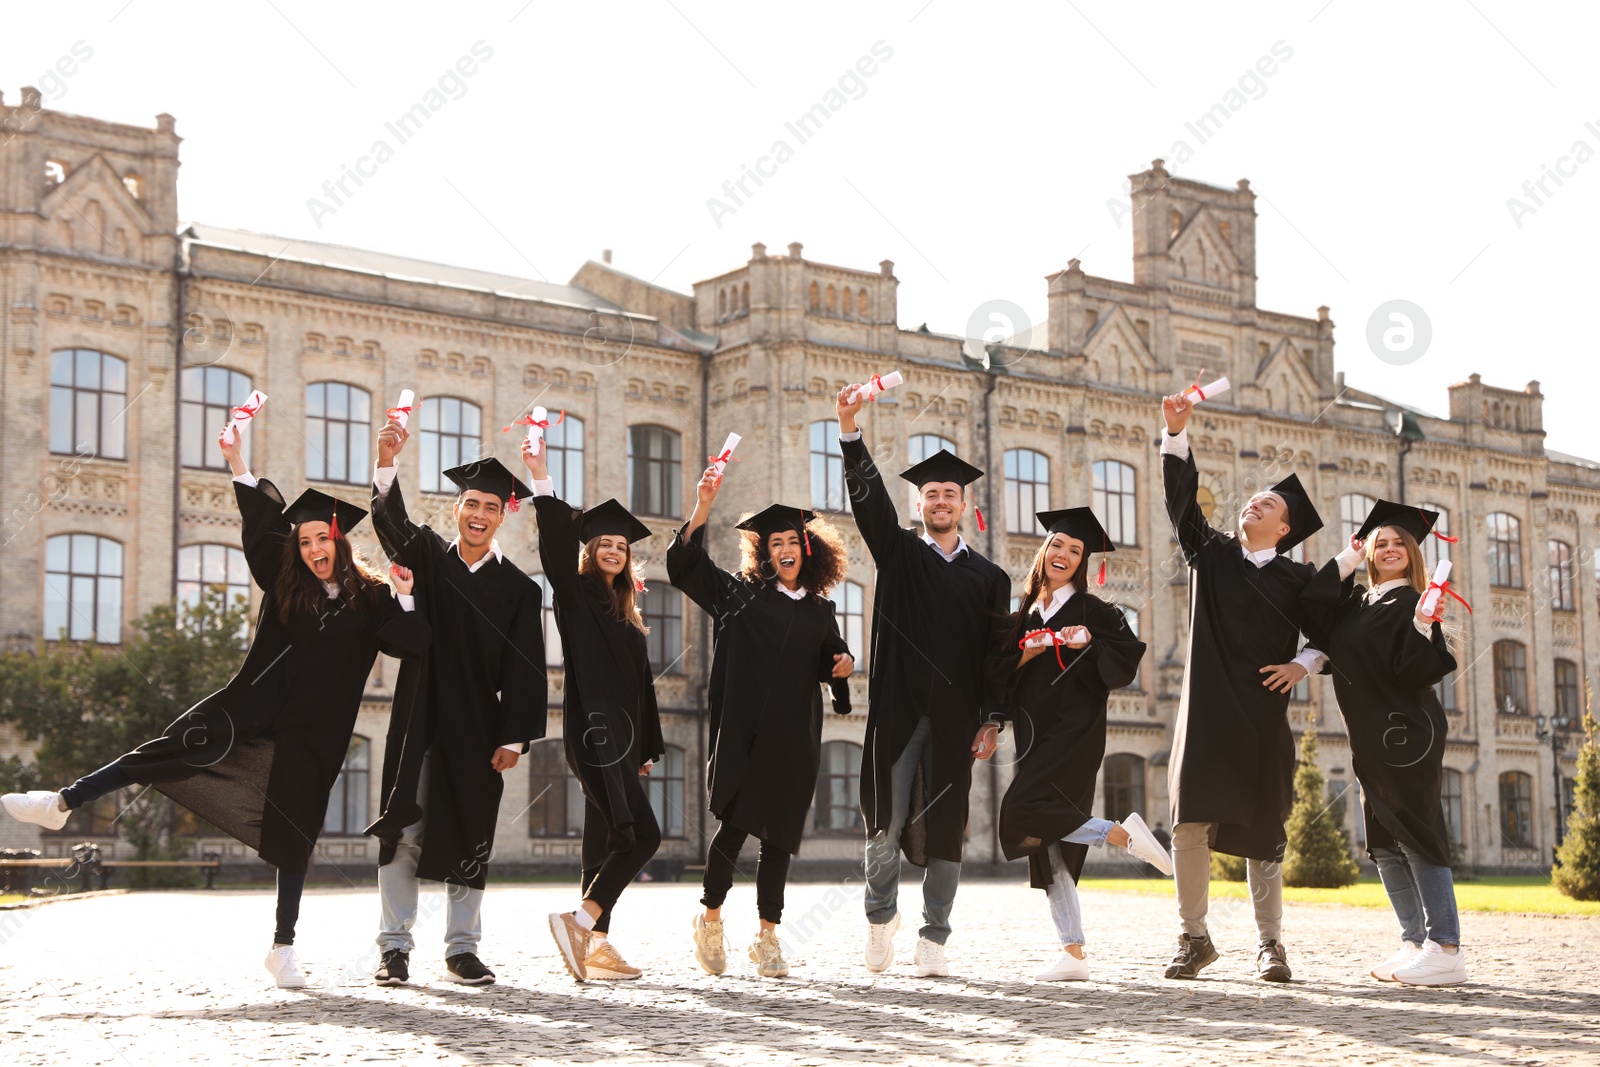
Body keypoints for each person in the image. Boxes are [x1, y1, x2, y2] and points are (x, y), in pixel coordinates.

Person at [3, 429, 429, 989]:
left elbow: (411, 643)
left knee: (295, 830)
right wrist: (236, 462)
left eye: (320, 540)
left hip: (315, 732)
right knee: (171, 748)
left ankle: (283, 947)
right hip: (249, 706)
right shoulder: (285, 586)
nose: (312, 551)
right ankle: (61, 800)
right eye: (302, 544)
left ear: (339, 539)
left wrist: (404, 595)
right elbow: (259, 534)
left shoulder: (372, 598)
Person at [835, 384, 1013, 977]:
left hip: (959, 717)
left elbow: (997, 654)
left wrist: (993, 717)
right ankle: (880, 920)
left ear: (963, 505)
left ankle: (934, 936)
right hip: (899, 709)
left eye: (949, 494)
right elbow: (870, 507)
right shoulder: (900, 556)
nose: (939, 501)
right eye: (930, 494)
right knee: (883, 817)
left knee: (947, 825)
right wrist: (850, 432)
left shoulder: (989, 578)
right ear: (919, 506)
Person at [366, 418, 547, 987]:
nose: (478, 514)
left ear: (502, 515)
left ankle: (461, 949)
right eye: (470, 503)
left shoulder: (520, 589)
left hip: (477, 725)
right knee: (404, 830)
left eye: (490, 507)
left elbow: (525, 668)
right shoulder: (426, 556)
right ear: (457, 508)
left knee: (472, 832)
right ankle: (393, 947)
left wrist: (514, 736)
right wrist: (386, 461)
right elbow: (388, 519)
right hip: (417, 716)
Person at [1160, 390, 1329, 983]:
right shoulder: (1213, 554)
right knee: (1189, 826)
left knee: (1264, 832)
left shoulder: (1299, 579)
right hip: (1205, 713)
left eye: (1267, 504)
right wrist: (1177, 435)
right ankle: (1194, 936)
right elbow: (1182, 506)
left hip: (1261, 716)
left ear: (1285, 528)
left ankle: (1271, 945)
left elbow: (1335, 628)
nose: (1253, 505)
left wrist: (1303, 664)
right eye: (1251, 500)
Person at [668, 469, 855, 979]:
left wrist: (843, 667)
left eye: (793, 541)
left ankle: (767, 939)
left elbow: (831, 661)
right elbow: (686, 567)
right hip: (747, 733)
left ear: (808, 550)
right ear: (765, 553)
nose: (786, 549)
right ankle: (709, 920)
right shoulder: (739, 597)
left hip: (795, 740)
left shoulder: (821, 610)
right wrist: (703, 506)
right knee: (734, 830)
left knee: (780, 842)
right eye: (776, 543)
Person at [995, 508, 1170, 981]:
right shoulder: (1023, 614)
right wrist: (1026, 652)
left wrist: (1087, 642)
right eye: (1058, 546)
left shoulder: (1096, 611)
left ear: (1082, 562)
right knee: (1049, 842)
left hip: (1075, 729)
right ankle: (1073, 953)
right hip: (1032, 731)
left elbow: (1128, 659)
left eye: (1075, 551)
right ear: (1044, 551)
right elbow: (998, 676)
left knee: (1019, 811)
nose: (1064, 555)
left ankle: (1121, 836)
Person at [1299, 499, 1466, 986]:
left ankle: (1447, 947)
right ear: (1369, 552)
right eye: (1380, 543)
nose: (1390, 549)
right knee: (1384, 844)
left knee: (1416, 833)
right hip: (1370, 737)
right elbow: (1312, 607)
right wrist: (1345, 560)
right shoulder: (1357, 603)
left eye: (1399, 543)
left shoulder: (1414, 603)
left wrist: (1423, 624)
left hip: (1407, 735)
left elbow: (1415, 670)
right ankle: (1415, 942)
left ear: (1412, 553)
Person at [523, 438, 664, 983]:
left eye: (620, 546)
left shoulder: (626, 614)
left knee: (605, 835)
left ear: (628, 557)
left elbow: (641, 686)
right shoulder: (576, 595)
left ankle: (596, 946)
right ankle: (580, 922)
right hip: (594, 733)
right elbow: (554, 551)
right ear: (589, 552)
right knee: (642, 836)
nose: (612, 550)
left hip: (624, 741)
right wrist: (541, 478)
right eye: (603, 543)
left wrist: (648, 746)